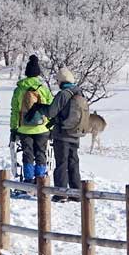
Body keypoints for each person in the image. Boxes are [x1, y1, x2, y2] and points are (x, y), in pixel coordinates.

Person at [27, 67, 86, 201]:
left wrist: (39, 107)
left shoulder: (64, 94)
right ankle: (76, 193)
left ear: (61, 81)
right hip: (75, 133)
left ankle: (60, 193)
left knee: (61, 163)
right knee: (73, 162)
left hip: (62, 134)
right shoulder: (80, 93)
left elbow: (51, 112)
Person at [10, 55, 53, 183]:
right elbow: (51, 109)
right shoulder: (43, 89)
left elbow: (15, 111)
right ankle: (40, 179)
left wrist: (14, 129)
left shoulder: (19, 90)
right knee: (41, 152)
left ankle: (28, 179)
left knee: (27, 153)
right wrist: (51, 126)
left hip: (24, 128)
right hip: (42, 128)